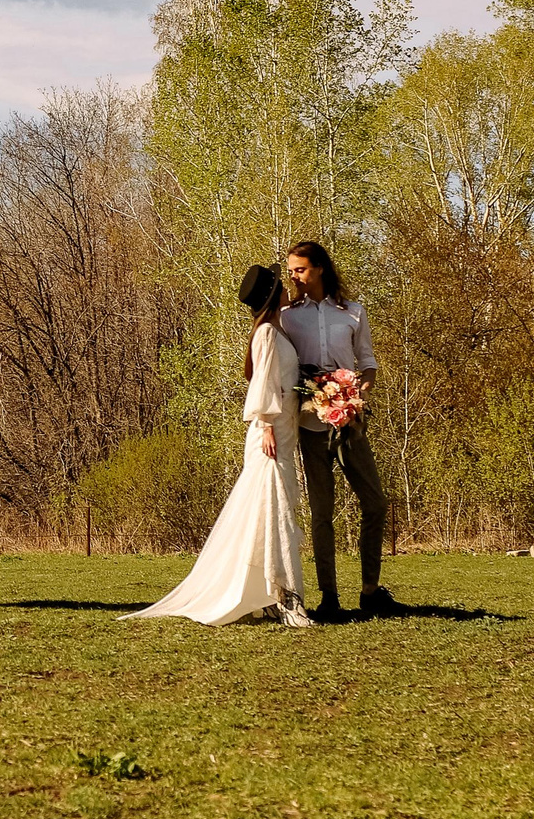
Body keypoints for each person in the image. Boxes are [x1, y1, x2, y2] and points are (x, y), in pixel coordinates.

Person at [123, 264, 314, 629]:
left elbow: (282, 378)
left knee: (270, 514)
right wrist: (267, 425)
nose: (288, 289)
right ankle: (287, 597)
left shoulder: (275, 329)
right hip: (270, 435)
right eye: (282, 286)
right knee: (276, 515)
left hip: (283, 433)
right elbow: (262, 385)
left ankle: (270, 595)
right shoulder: (266, 336)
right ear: (274, 296)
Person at [277, 239, 398, 621]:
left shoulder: (353, 313)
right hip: (311, 426)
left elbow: (368, 362)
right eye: (292, 270)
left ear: (320, 269)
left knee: (375, 502)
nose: (294, 276)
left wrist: (359, 393)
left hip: (352, 425)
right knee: (322, 513)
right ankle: (329, 597)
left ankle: (370, 590)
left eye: (300, 269)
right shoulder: (288, 317)